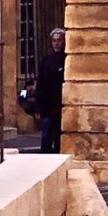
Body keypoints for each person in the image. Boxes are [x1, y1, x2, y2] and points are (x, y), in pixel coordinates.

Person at [33, 26, 66, 154]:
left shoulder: (66, 59)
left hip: (60, 105)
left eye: (59, 40)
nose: (56, 43)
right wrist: (37, 106)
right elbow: (40, 83)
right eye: (54, 40)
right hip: (47, 106)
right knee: (46, 137)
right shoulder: (46, 60)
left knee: (58, 138)